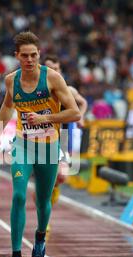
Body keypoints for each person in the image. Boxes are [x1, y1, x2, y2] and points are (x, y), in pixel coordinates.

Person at [0, 31, 81, 257]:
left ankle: (40, 235)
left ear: (39, 54)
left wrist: (46, 118)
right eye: (25, 56)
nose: (30, 60)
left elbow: (74, 113)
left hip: (48, 147)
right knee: (19, 195)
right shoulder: (12, 80)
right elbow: (7, 106)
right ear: (17, 56)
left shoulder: (52, 78)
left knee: (43, 202)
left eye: (34, 55)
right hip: (23, 145)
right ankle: (16, 256)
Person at [43, 55, 88, 232]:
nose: (54, 71)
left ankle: (45, 206)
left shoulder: (68, 90)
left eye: (56, 68)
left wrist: (81, 116)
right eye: (49, 68)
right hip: (43, 139)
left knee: (61, 178)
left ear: (60, 70)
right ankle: (43, 216)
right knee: (47, 181)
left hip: (62, 138)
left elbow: (82, 103)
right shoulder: (40, 92)